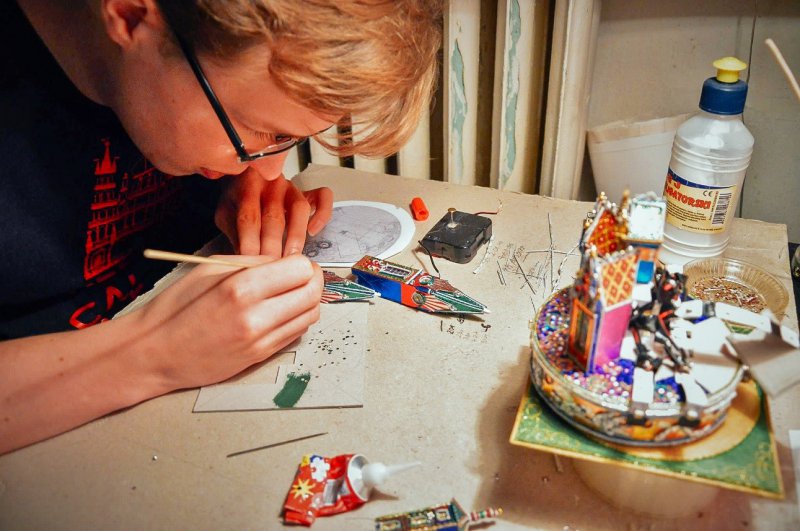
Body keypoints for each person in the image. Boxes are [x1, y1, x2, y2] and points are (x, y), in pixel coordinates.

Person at [0, 0, 442, 454]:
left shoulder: (176, 76)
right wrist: (153, 354)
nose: (274, 169)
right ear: (130, 15)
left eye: (290, 139)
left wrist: (237, 183)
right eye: (260, 133)